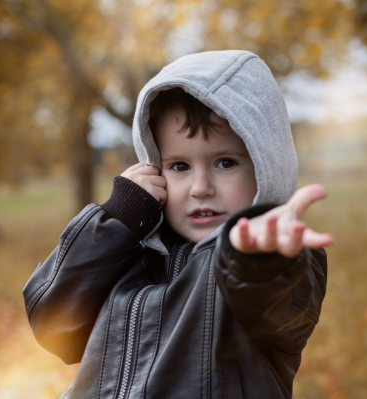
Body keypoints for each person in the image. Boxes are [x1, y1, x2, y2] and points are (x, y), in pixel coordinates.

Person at [23, 50, 333, 398]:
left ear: (266, 164)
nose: (200, 188)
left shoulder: (273, 258)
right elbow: (55, 327)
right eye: (180, 167)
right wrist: (118, 220)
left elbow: (272, 300)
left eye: (226, 163)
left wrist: (260, 257)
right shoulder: (133, 256)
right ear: (153, 167)